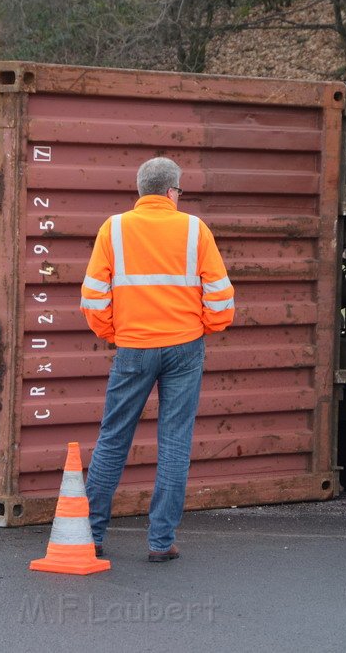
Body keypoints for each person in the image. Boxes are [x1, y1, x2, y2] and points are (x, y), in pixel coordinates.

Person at [80, 157, 234, 563]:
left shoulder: (112, 229)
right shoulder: (194, 229)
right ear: (171, 192)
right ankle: (161, 543)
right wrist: (206, 327)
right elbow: (220, 297)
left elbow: (93, 297)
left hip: (133, 346)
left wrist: (114, 333)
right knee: (174, 442)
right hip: (185, 347)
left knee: (113, 438)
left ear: (141, 190)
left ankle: (90, 536)